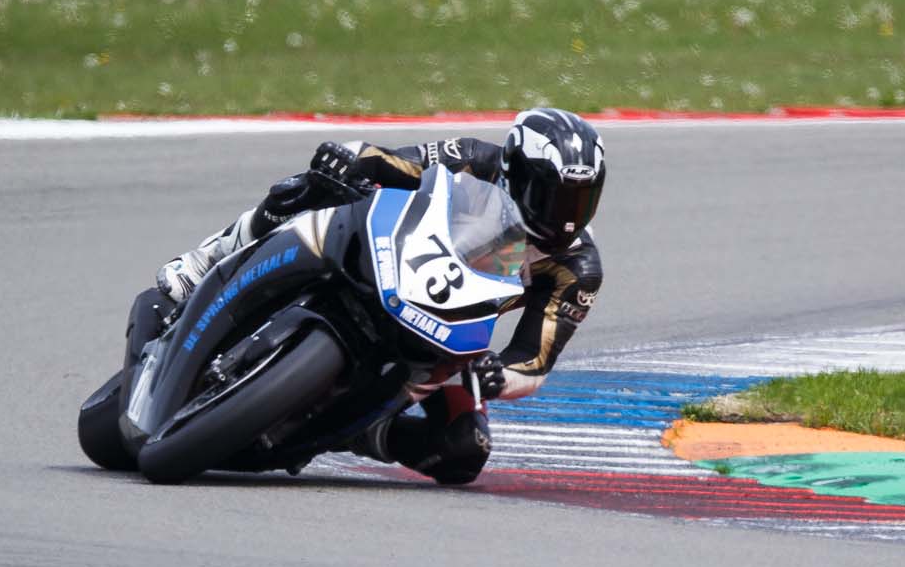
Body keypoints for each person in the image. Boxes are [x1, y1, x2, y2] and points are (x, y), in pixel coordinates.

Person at [154, 107, 606, 485]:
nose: (565, 216)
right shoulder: (473, 160)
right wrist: (347, 160)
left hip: (449, 334)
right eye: (553, 196)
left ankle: (365, 431)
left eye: (579, 200)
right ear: (516, 170)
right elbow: (391, 161)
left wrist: (498, 377)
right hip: (394, 260)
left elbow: (534, 358)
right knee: (308, 187)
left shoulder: (578, 268)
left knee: (465, 451)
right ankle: (204, 262)